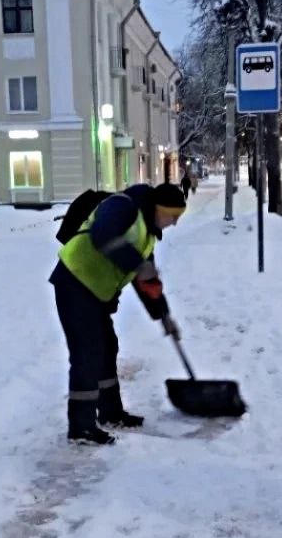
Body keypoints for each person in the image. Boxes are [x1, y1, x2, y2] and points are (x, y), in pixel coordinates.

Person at [50, 183, 187, 445]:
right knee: (87, 354)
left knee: (106, 348)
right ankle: (81, 428)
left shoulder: (146, 235)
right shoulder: (123, 205)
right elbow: (102, 234)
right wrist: (137, 264)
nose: (175, 223)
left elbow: (148, 284)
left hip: (95, 293)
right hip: (75, 282)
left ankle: (110, 413)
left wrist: (164, 316)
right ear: (161, 209)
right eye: (174, 216)